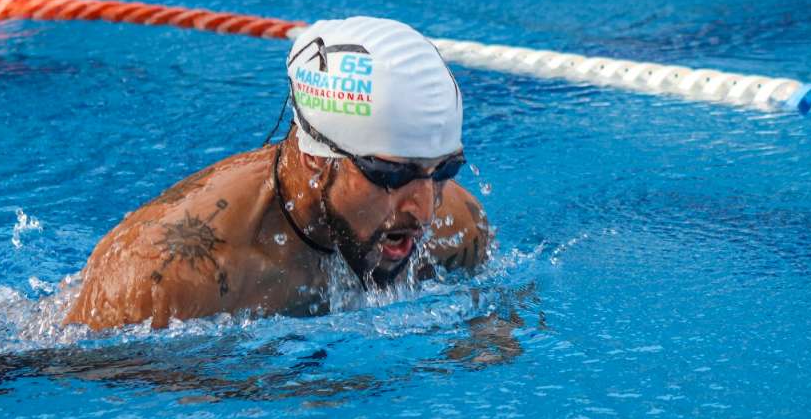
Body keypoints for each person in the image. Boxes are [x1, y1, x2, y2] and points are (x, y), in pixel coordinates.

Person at [64, 16, 491, 330]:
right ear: (315, 157)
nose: (424, 209)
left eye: (443, 170)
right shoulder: (175, 275)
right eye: (392, 175)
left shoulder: (458, 229)